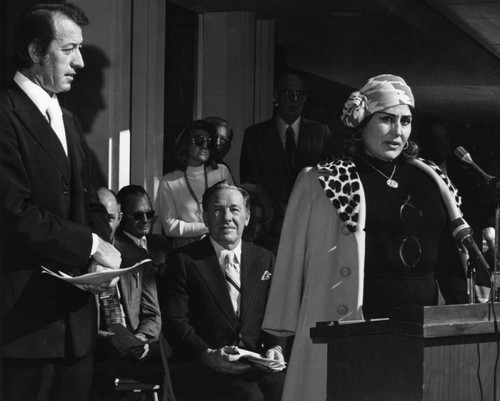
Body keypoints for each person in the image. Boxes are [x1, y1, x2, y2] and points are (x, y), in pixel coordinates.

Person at [262, 74, 469, 401]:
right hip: (355, 320)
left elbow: (450, 254)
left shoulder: (432, 178)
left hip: (424, 324)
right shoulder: (321, 181)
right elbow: (290, 263)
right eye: (386, 119)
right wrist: (277, 335)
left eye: (406, 121)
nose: (398, 131)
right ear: (361, 123)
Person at [0, 4, 122, 401]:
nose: (81, 62)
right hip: (24, 328)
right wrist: (90, 244)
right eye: (69, 49)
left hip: (75, 328)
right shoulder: (4, 113)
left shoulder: (66, 120)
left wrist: (101, 253)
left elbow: (89, 202)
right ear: (36, 51)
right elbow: (13, 214)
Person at [159, 181, 286, 401]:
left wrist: (276, 346)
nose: (227, 217)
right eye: (218, 210)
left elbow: (275, 311)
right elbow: (175, 321)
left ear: (246, 217)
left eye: (234, 209)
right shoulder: (184, 260)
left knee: (292, 389)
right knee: (249, 397)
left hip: (254, 364)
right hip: (202, 365)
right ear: (206, 218)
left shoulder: (265, 258)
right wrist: (205, 354)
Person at [240, 72, 335, 239]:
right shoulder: (255, 135)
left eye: (300, 94)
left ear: (305, 98)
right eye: (288, 93)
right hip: (270, 230)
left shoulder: (320, 132)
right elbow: (250, 182)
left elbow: (330, 181)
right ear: (276, 97)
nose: (294, 99)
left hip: (311, 226)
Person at [92, 186, 165, 400]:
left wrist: (140, 339)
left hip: (136, 344)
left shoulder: (138, 257)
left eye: (111, 218)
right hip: (100, 346)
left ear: (120, 218)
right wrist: (103, 337)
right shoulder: (78, 259)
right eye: (100, 217)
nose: (105, 224)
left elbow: (153, 313)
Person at [155, 120, 233, 248]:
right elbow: (170, 227)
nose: (204, 146)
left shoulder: (221, 172)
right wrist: (207, 227)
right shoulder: (169, 181)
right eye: (199, 140)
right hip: (186, 249)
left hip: (221, 244)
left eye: (209, 142)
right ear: (186, 143)